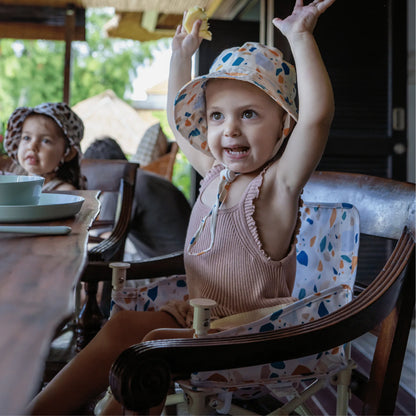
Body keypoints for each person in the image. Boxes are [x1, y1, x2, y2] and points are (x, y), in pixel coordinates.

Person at [28, 1, 335, 414]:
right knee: (122, 327)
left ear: (283, 126)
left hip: (250, 335)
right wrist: (180, 55)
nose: (230, 129)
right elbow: (178, 123)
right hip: (196, 320)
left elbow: (317, 117)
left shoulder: (276, 187)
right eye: (216, 116)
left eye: (249, 114)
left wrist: (300, 37)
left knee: (149, 351)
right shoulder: (214, 172)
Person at [84, 136, 191, 316]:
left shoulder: (120, 186)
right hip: (187, 265)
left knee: (89, 280)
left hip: (172, 275)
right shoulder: (148, 177)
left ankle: (91, 327)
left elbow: (106, 246)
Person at [3, 102, 85, 190]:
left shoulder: (65, 191)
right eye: (26, 138)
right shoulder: (13, 183)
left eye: (46, 141)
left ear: (68, 153)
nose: (32, 146)